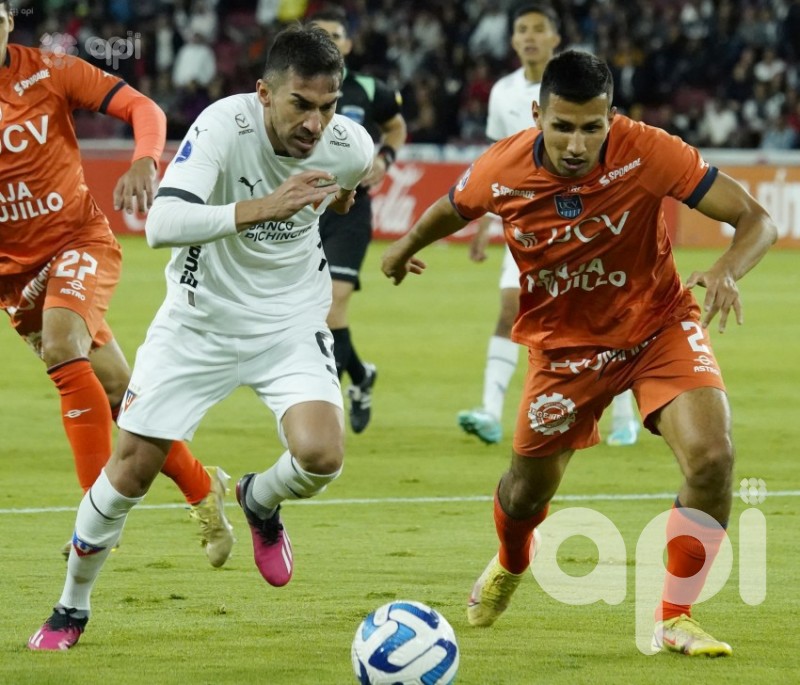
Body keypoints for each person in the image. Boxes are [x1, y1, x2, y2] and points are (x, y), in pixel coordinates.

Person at [382, 50, 777, 656]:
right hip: (564, 351)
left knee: (713, 456)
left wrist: (728, 267)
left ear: (611, 117)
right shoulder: (503, 167)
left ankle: (676, 614)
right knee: (524, 493)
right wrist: (402, 246)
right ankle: (513, 561)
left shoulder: (648, 150)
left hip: (657, 326)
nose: (576, 143)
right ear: (538, 114)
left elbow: (756, 219)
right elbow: (452, 207)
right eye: (562, 126)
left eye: (592, 127)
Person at [28, 23, 373, 651]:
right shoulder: (223, 126)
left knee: (322, 456)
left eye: (327, 108)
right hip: (198, 322)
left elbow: (346, 194)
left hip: (289, 323)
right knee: (130, 470)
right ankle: (70, 605)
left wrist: (331, 203)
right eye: (301, 104)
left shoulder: (350, 145)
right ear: (265, 93)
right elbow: (163, 222)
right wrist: (266, 205)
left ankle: (258, 499)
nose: (315, 123)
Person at [0, 1, 234, 567]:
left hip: (77, 242)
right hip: (14, 278)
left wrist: (146, 161)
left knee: (62, 346)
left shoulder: (49, 70)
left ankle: (95, 516)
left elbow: (141, 106)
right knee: (121, 395)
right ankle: (206, 491)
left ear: (8, 19)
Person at [457, 3, 640, 449]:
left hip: (586, 223)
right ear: (513, 38)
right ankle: (488, 411)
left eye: (539, 29)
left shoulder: (582, 82)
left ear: (556, 38)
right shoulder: (501, 92)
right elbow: (493, 162)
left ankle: (624, 415)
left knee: (607, 314)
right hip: (528, 227)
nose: (530, 37)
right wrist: (483, 222)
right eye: (522, 29)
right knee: (508, 309)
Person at [309, 6, 407, 434]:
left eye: (336, 35)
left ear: (348, 44)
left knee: (333, 302)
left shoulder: (370, 89)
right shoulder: (291, 86)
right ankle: (362, 375)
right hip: (304, 207)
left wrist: (385, 157)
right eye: (320, 35)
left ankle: (321, 408)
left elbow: (397, 126)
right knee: (315, 312)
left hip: (350, 208)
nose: (330, 41)